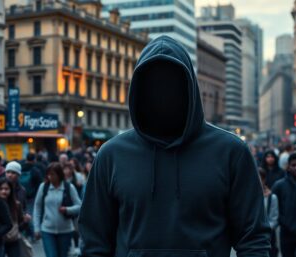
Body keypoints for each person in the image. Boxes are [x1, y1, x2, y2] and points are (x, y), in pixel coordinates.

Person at [78, 35, 270, 257]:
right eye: (153, 85)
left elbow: (253, 239)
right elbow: (94, 241)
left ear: (189, 87)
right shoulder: (111, 155)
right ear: (139, 91)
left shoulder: (231, 152)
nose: (162, 94)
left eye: (171, 83)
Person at [33, 162, 81, 257]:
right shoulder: (43, 187)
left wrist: (67, 209)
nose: (50, 177)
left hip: (66, 230)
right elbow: (37, 208)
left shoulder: (68, 187)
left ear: (59, 174)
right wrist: (36, 227)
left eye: (52, 174)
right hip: (47, 230)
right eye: (48, 174)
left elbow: (79, 206)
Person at [0, 178, 28, 257]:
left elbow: (20, 224)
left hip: (13, 240)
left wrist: (25, 221)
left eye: (6, 189)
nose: (3, 191)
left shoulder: (16, 205)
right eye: (1, 189)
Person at [259, 168, 279, 257]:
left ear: (264, 180)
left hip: (267, 235)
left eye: (260, 178)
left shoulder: (272, 197)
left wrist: (264, 229)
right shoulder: (247, 196)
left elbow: (274, 218)